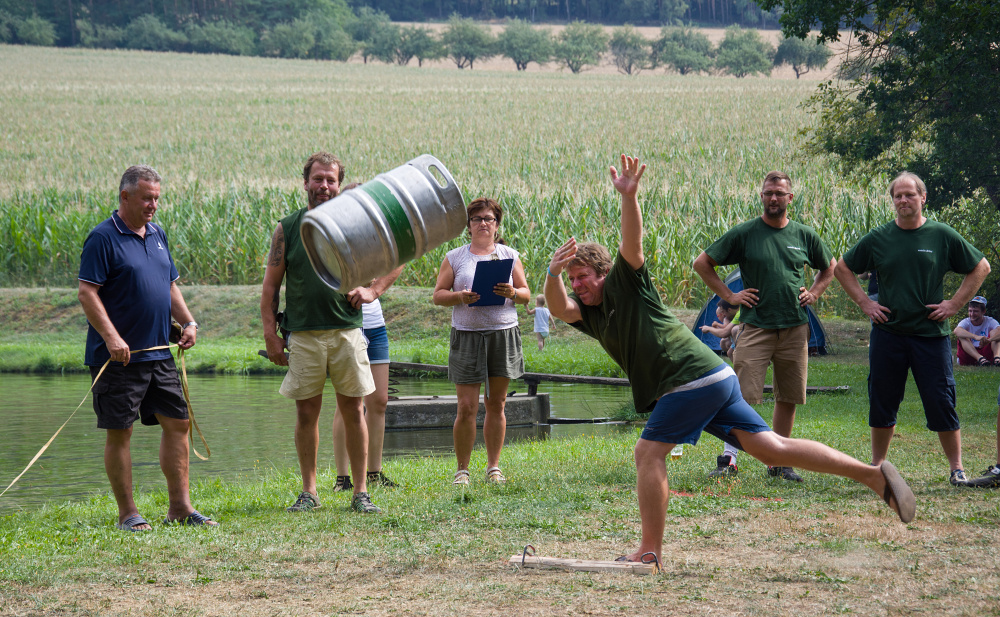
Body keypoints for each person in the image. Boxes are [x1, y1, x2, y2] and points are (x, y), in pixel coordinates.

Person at [545, 155, 914, 565]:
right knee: (771, 449)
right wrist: (553, 275)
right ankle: (872, 475)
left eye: (582, 276)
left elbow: (632, 244)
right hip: (714, 378)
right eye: (572, 279)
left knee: (648, 453)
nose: (578, 285)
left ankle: (649, 551)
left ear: (603, 273)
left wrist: (629, 197)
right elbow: (559, 308)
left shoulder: (625, 283)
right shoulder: (589, 313)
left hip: (688, 378)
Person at [77, 164, 217, 531]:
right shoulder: (102, 238)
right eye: (146, 198)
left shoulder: (157, 234)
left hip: (159, 353)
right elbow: (87, 292)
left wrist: (189, 322)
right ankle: (128, 514)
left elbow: (169, 286)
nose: (153, 205)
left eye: (156, 198)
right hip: (118, 359)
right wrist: (112, 338)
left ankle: (180, 509)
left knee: (179, 423)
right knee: (121, 430)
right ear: (125, 196)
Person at [834, 171, 990, 486]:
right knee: (882, 400)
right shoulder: (879, 237)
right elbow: (842, 268)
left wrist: (954, 304)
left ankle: (957, 469)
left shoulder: (941, 235)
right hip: (888, 334)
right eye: (898, 196)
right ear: (893, 201)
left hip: (930, 336)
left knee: (941, 400)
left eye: (909, 194)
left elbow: (980, 267)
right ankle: (877, 468)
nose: (903, 200)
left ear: (923, 197)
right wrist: (865, 303)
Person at [260, 152, 391, 514]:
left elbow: (395, 258)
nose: (324, 186)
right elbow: (270, 288)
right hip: (303, 335)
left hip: (347, 332)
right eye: (317, 179)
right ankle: (309, 492)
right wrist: (271, 335)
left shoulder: (354, 224)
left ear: (338, 184)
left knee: (354, 411)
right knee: (307, 414)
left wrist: (373, 290)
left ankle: (360, 492)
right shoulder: (288, 228)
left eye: (331, 180)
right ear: (305, 182)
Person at [693, 171, 836, 482]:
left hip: (794, 327)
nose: (774, 198)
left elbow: (829, 267)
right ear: (761, 196)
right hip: (755, 327)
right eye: (768, 192)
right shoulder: (745, 233)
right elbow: (702, 263)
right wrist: (730, 295)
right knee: (740, 397)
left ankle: (779, 462)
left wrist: (814, 293)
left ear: (790, 198)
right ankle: (728, 460)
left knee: (788, 397)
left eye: (779, 193)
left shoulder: (804, 235)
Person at [432, 197, 530, 486]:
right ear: (469, 225)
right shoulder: (455, 257)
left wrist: (513, 292)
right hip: (467, 335)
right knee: (466, 407)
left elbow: (526, 292)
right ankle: (462, 470)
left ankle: (493, 467)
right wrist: (459, 297)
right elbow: (438, 295)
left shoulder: (509, 255)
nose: (483, 223)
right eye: (477, 219)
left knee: (497, 403)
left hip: (502, 333)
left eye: (489, 218)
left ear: (497, 224)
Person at [331, 266, 405, 492]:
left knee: (379, 401)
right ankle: (343, 478)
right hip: (347, 323)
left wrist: (374, 288)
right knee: (347, 402)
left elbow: (399, 260)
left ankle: (374, 473)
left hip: (375, 325)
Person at [954, 296, 1000, 366]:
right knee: (962, 336)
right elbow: (956, 331)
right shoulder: (966, 322)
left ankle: (997, 358)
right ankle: (980, 359)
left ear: (983, 311)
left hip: (986, 353)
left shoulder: (990, 321)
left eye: (975, 311)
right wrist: (975, 337)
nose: (972, 314)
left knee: (995, 333)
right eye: (970, 311)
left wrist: (989, 340)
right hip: (969, 355)